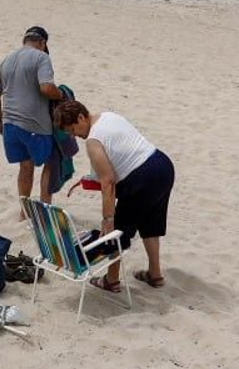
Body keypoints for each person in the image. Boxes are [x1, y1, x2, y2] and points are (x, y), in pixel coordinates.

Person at [53, 99, 174, 292]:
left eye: (73, 130)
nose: (75, 136)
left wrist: (108, 220)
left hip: (142, 179)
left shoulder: (93, 141)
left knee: (116, 233)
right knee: (150, 222)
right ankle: (155, 274)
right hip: (162, 165)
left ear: (81, 117)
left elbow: (108, 183)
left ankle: (111, 280)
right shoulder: (108, 116)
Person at [0, 26, 64, 205]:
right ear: (43, 43)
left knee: (25, 165)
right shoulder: (42, 57)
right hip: (35, 125)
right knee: (52, 162)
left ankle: (24, 211)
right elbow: (46, 87)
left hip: (9, 125)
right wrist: (60, 94)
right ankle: (45, 208)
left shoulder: (7, 59)